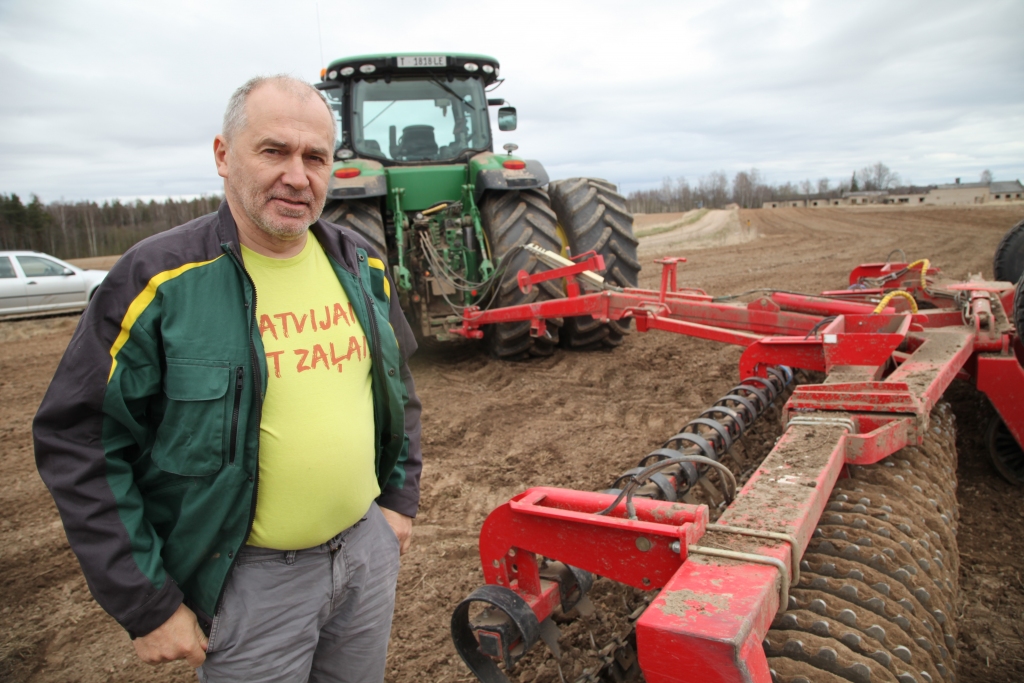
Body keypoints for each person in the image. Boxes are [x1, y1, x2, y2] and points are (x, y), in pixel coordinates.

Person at [33, 75, 422, 683]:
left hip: (364, 558)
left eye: (315, 157)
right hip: (248, 583)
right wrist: (145, 602)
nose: (297, 176)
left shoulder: (360, 262)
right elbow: (79, 439)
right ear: (223, 154)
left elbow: (398, 391)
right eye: (274, 151)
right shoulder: (158, 279)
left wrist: (396, 501)